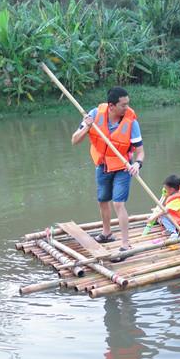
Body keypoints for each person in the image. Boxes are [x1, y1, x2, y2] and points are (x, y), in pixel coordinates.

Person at [71, 86, 144, 259]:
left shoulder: (131, 122)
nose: (127, 108)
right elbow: (74, 140)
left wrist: (138, 164)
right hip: (103, 165)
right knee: (103, 200)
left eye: (128, 104)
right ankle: (107, 233)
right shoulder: (95, 115)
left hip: (123, 166)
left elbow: (140, 151)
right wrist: (86, 127)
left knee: (118, 203)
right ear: (111, 106)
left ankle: (125, 245)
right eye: (123, 105)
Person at [145, 175, 180, 241]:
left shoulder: (177, 200)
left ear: (171, 189)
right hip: (179, 215)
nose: (164, 190)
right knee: (159, 212)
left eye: (166, 188)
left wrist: (152, 218)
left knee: (162, 215)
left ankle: (173, 232)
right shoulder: (177, 191)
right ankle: (164, 224)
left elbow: (165, 210)